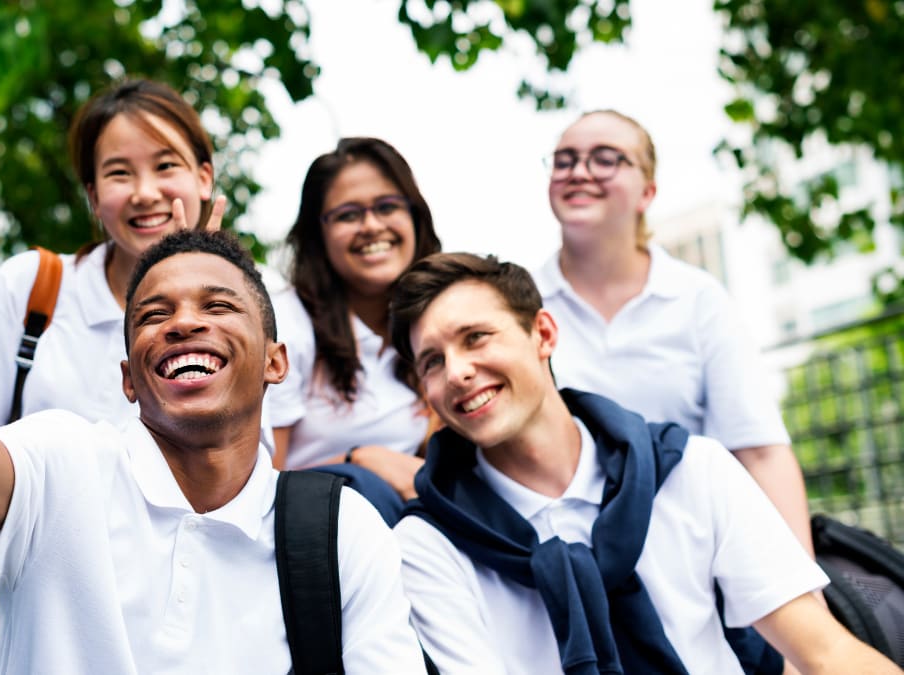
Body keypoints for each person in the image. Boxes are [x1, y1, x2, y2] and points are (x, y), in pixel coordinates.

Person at [0, 3, 426, 672]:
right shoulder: (61, 469)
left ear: (277, 361)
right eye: (153, 313)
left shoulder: (339, 537)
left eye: (218, 305)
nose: (185, 321)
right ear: (126, 377)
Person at [386, 251, 901, 674]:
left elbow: (826, 654)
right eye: (432, 362)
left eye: (475, 337)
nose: (457, 372)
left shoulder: (691, 469)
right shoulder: (429, 546)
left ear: (543, 334)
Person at [0, 74, 231, 673]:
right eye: (118, 173)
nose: (144, 192)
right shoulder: (31, 290)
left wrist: (207, 287)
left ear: (203, 177)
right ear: (93, 194)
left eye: (165, 165)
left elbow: (247, 477)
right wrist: (12, 576)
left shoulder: (245, 315)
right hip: (17, 605)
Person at [535, 110, 814, 556]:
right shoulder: (522, 304)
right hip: (564, 560)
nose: (579, 172)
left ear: (647, 191)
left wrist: (804, 585)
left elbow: (761, 453)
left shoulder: (698, 299)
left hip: (695, 558)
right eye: (564, 160)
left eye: (605, 158)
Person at [269, 137, 442, 520]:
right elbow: (256, 487)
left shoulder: (435, 323)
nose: (372, 226)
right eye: (348, 215)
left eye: (387, 206)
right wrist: (360, 461)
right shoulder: (285, 326)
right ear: (318, 235)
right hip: (308, 531)